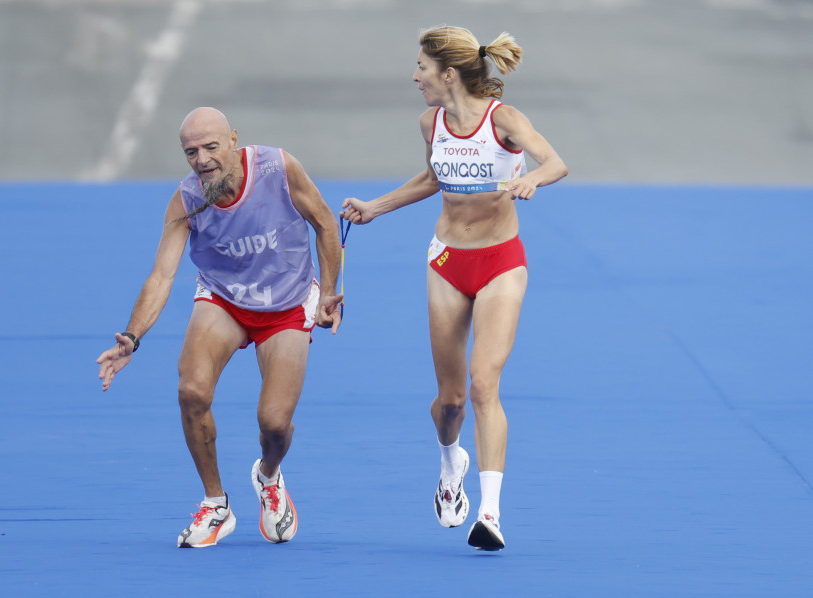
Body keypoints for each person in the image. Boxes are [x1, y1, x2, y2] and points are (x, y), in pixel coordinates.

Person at [341, 26, 567, 550]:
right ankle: (451, 461)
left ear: (448, 74)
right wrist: (376, 207)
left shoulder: (503, 121)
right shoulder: (431, 123)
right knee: (451, 400)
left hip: (501, 262)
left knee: (485, 383)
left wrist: (534, 179)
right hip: (445, 262)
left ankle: (489, 514)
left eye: (421, 67)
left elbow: (555, 161)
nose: (415, 76)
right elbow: (431, 179)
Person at [97, 107, 343, 548]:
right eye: (191, 152)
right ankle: (216, 504)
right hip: (224, 299)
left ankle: (268, 476)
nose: (202, 159)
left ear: (233, 140)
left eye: (211, 147)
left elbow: (325, 223)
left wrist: (328, 294)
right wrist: (132, 337)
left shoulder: (278, 168)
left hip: (287, 303)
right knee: (191, 390)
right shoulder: (187, 199)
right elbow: (162, 275)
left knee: (274, 423)